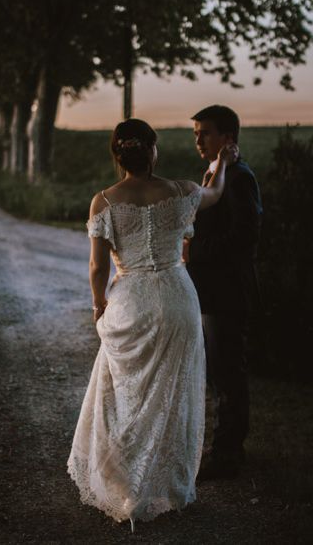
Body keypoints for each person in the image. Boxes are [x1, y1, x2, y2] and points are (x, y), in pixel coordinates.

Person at [67, 118, 238, 530]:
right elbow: (214, 193)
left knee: (125, 395)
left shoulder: (104, 202)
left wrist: (98, 305)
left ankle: (125, 482)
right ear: (153, 150)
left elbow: (97, 267)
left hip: (132, 302)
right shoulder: (181, 191)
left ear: (119, 155)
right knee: (174, 392)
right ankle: (166, 484)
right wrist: (222, 164)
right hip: (178, 299)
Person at [186, 105, 262, 480]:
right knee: (218, 372)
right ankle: (224, 447)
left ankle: (228, 454)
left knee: (228, 373)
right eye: (196, 132)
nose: (197, 139)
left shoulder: (239, 178)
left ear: (227, 138)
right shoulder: (219, 173)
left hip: (228, 292)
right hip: (212, 291)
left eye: (205, 132)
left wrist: (194, 252)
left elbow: (244, 238)